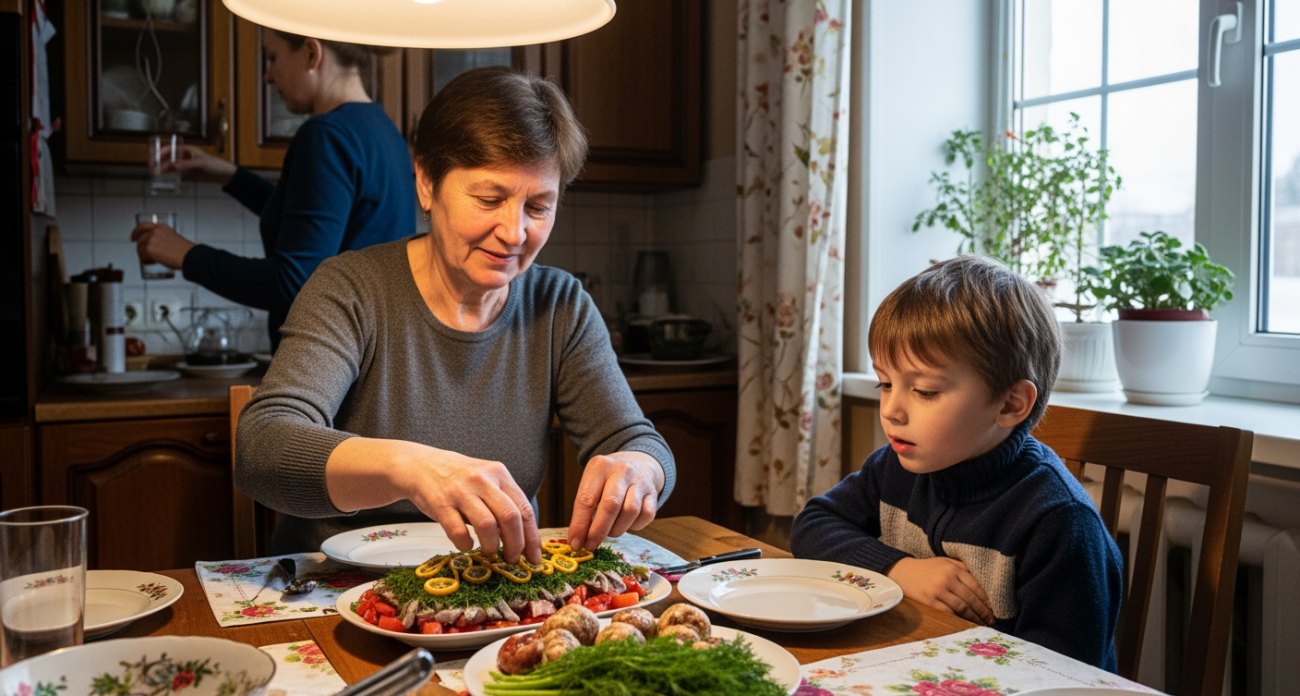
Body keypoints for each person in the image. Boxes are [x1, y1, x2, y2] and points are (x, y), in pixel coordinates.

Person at [235, 67, 675, 564]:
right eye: (490, 199)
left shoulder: (560, 305)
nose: (514, 232)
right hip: (337, 584)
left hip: (497, 587)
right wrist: (410, 465)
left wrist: (639, 469)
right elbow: (262, 447)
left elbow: (637, 441)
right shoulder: (351, 288)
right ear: (426, 182)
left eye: (538, 206)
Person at [790, 256, 1123, 671]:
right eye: (886, 384)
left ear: (1010, 403)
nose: (891, 409)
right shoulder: (894, 468)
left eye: (925, 391)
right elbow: (812, 526)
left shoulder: (1059, 521)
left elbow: (1064, 674)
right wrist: (900, 569)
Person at [131, 30, 416, 351]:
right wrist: (232, 176)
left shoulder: (326, 135)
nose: (267, 76)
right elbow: (318, 222)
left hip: (329, 373)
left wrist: (186, 254)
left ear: (312, 53)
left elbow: (294, 282)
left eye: (272, 58)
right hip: (369, 367)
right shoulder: (383, 129)